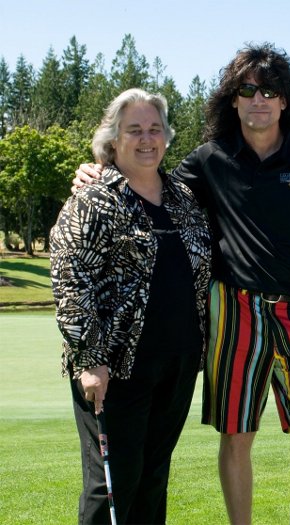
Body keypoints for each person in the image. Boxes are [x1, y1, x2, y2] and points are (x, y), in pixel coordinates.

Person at [73, 43, 290, 525]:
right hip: (234, 313)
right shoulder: (209, 159)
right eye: (247, 90)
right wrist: (98, 170)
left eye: (270, 90)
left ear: (285, 100)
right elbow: (146, 180)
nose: (258, 99)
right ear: (233, 99)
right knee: (236, 436)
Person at [51, 88, 212, 524]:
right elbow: (70, 281)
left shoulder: (184, 198)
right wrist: (90, 359)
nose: (147, 139)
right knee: (112, 483)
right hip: (113, 367)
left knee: (154, 476)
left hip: (177, 363)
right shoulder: (92, 199)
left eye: (155, 129)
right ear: (113, 139)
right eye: (134, 130)